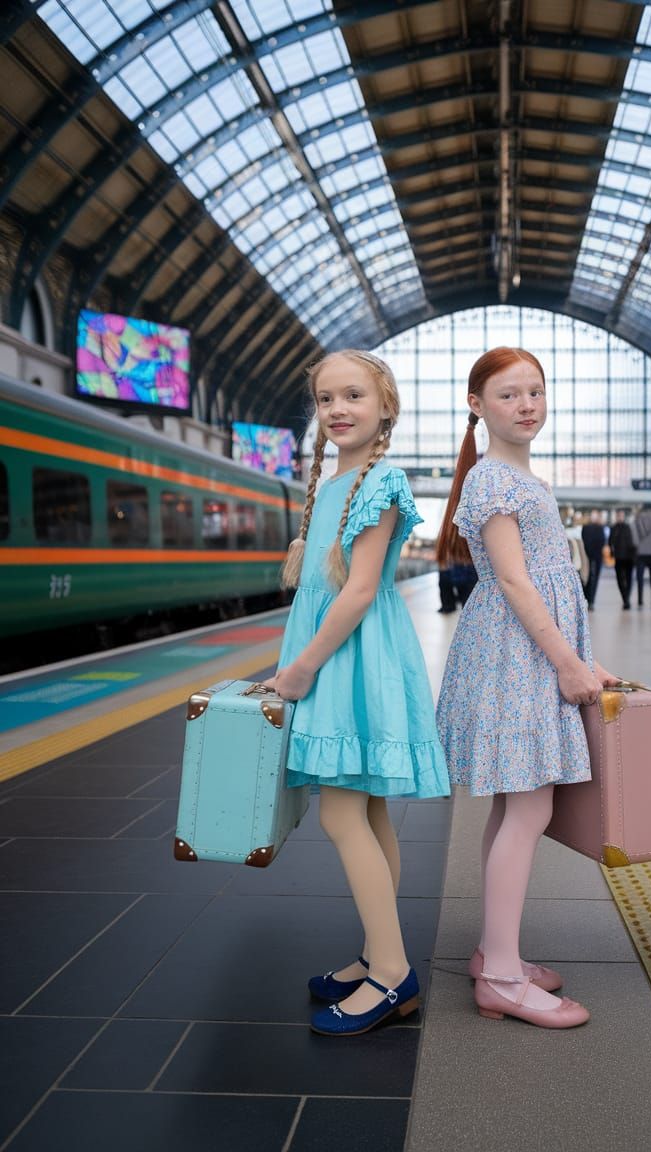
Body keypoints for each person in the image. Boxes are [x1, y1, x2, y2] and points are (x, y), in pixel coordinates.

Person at [266, 349, 451, 1036]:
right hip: (341, 655)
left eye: (353, 395)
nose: (338, 409)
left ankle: (393, 975)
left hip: (350, 658)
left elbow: (361, 591)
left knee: (341, 817)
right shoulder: (335, 480)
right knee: (367, 814)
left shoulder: (381, 481)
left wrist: (301, 669)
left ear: (385, 406)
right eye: (325, 399)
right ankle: (377, 953)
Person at [435, 347, 620, 1029]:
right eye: (509, 394)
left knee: (515, 807)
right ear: (477, 405)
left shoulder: (519, 477)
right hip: (516, 660)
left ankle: (496, 950)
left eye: (535, 391)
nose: (527, 405)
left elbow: (544, 581)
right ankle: (504, 980)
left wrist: (585, 660)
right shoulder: (492, 479)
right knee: (529, 810)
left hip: (526, 656)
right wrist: (568, 663)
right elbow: (514, 581)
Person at [634, 503, 651, 610]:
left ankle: (640, 602)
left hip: (641, 551)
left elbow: (637, 534)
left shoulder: (638, 517)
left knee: (640, 578)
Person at [608, 507, 636, 609]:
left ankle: (626, 599)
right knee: (620, 579)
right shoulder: (614, 528)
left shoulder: (628, 527)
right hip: (619, 557)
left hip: (628, 558)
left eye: (621, 515)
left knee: (628, 579)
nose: (619, 517)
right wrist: (612, 553)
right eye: (618, 515)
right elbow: (610, 542)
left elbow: (632, 542)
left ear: (624, 516)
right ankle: (625, 599)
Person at [580, 510, 606, 610]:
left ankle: (588, 599)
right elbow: (601, 541)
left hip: (590, 556)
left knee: (588, 577)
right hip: (594, 557)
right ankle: (590, 600)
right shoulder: (597, 528)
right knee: (592, 578)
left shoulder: (587, 528)